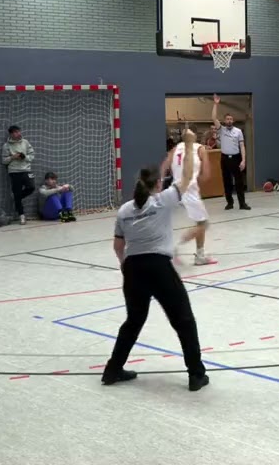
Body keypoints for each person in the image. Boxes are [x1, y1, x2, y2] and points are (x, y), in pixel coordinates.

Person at [102, 140, 209, 392]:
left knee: (134, 321)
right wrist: (191, 143)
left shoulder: (124, 210)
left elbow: (118, 247)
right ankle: (196, 375)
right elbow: (187, 176)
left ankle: (112, 370)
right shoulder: (163, 200)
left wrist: (124, 267)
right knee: (183, 320)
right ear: (158, 184)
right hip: (158, 267)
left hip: (133, 269)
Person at [162, 129, 217, 266]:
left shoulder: (175, 148)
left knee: (200, 223)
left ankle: (200, 255)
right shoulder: (200, 149)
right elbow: (206, 175)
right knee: (203, 223)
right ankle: (176, 247)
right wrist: (200, 178)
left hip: (174, 189)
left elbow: (164, 166)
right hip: (189, 189)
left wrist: (160, 183)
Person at [211, 95, 249, 211]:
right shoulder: (221, 129)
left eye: (231, 119)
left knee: (239, 182)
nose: (229, 121)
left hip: (236, 158)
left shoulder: (238, 132)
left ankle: (242, 204)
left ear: (233, 121)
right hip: (225, 158)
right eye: (227, 119)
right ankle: (229, 203)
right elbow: (213, 117)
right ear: (224, 121)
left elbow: (242, 146)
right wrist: (216, 104)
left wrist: (243, 160)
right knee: (227, 181)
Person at [1, 125, 35, 224]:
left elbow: (32, 156)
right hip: (14, 172)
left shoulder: (26, 142)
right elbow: (3, 161)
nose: (18, 133)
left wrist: (24, 157)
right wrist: (13, 157)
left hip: (26, 170)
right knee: (16, 193)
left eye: (19, 131)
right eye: (15, 132)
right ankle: (22, 216)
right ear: (11, 134)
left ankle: (17, 198)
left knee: (31, 187)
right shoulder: (6, 146)